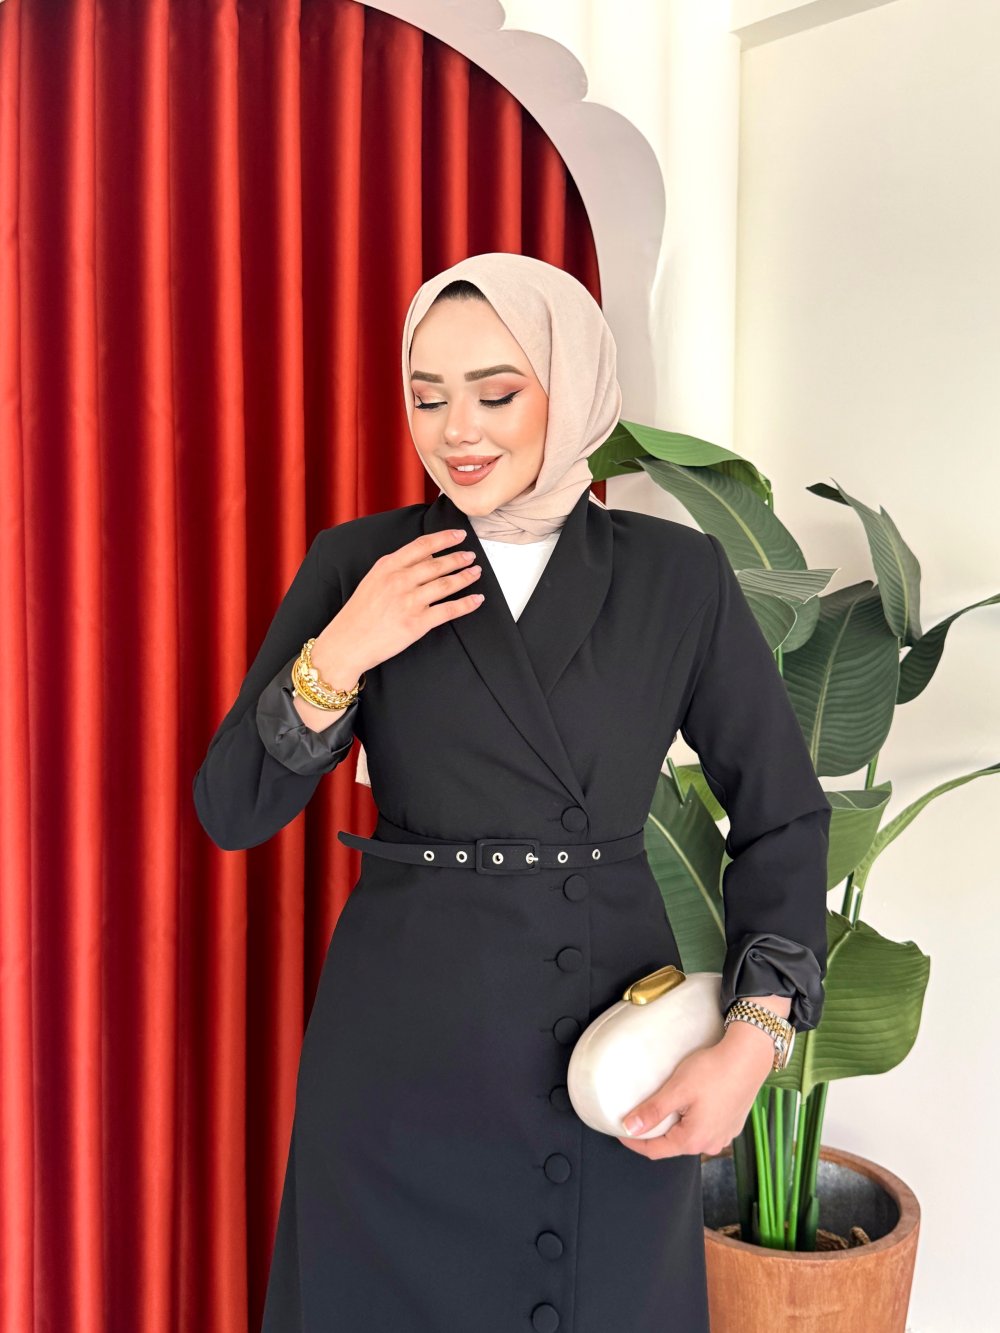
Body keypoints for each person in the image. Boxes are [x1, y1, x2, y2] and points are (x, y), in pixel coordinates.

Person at [192, 252, 831, 1333]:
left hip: (605, 1049)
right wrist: (338, 656)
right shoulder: (361, 563)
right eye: (426, 397)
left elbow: (781, 813)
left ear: (568, 385)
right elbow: (232, 810)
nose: (457, 431)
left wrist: (751, 1042)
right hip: (397, 1047)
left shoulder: (675, 576)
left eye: (496, 393)